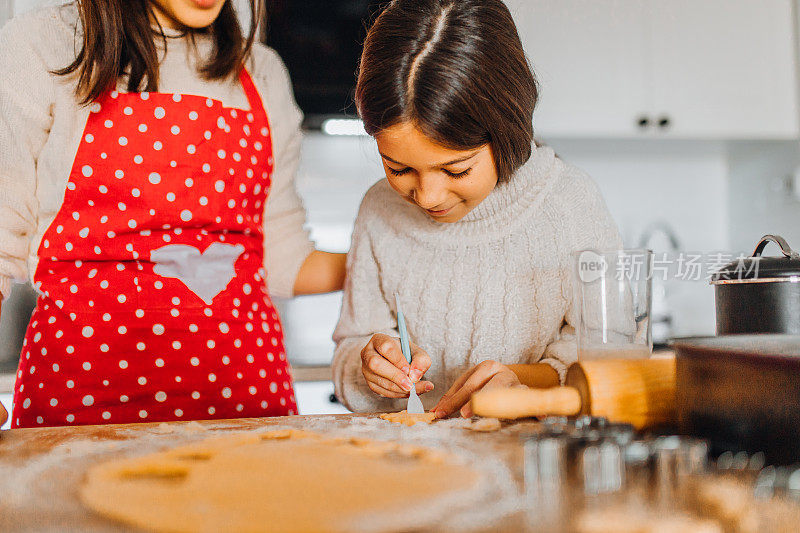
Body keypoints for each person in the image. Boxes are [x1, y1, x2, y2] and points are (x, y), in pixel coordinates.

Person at [0, 0, 345, 428]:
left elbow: (282, 259)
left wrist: (392, 249)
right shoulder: (42, 46)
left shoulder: (262, 71)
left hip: (247, 400)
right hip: (81, 401)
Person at [332, 0, 621, 418]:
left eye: (456, 169)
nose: (427, 196)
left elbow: (611, 364)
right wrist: (367, 366)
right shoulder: (379, 210)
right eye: (399, 168)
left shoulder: (569, 205)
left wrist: (522, 380)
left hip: (533, 466)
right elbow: (348, 349)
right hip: (411, 468)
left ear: (508, 130)